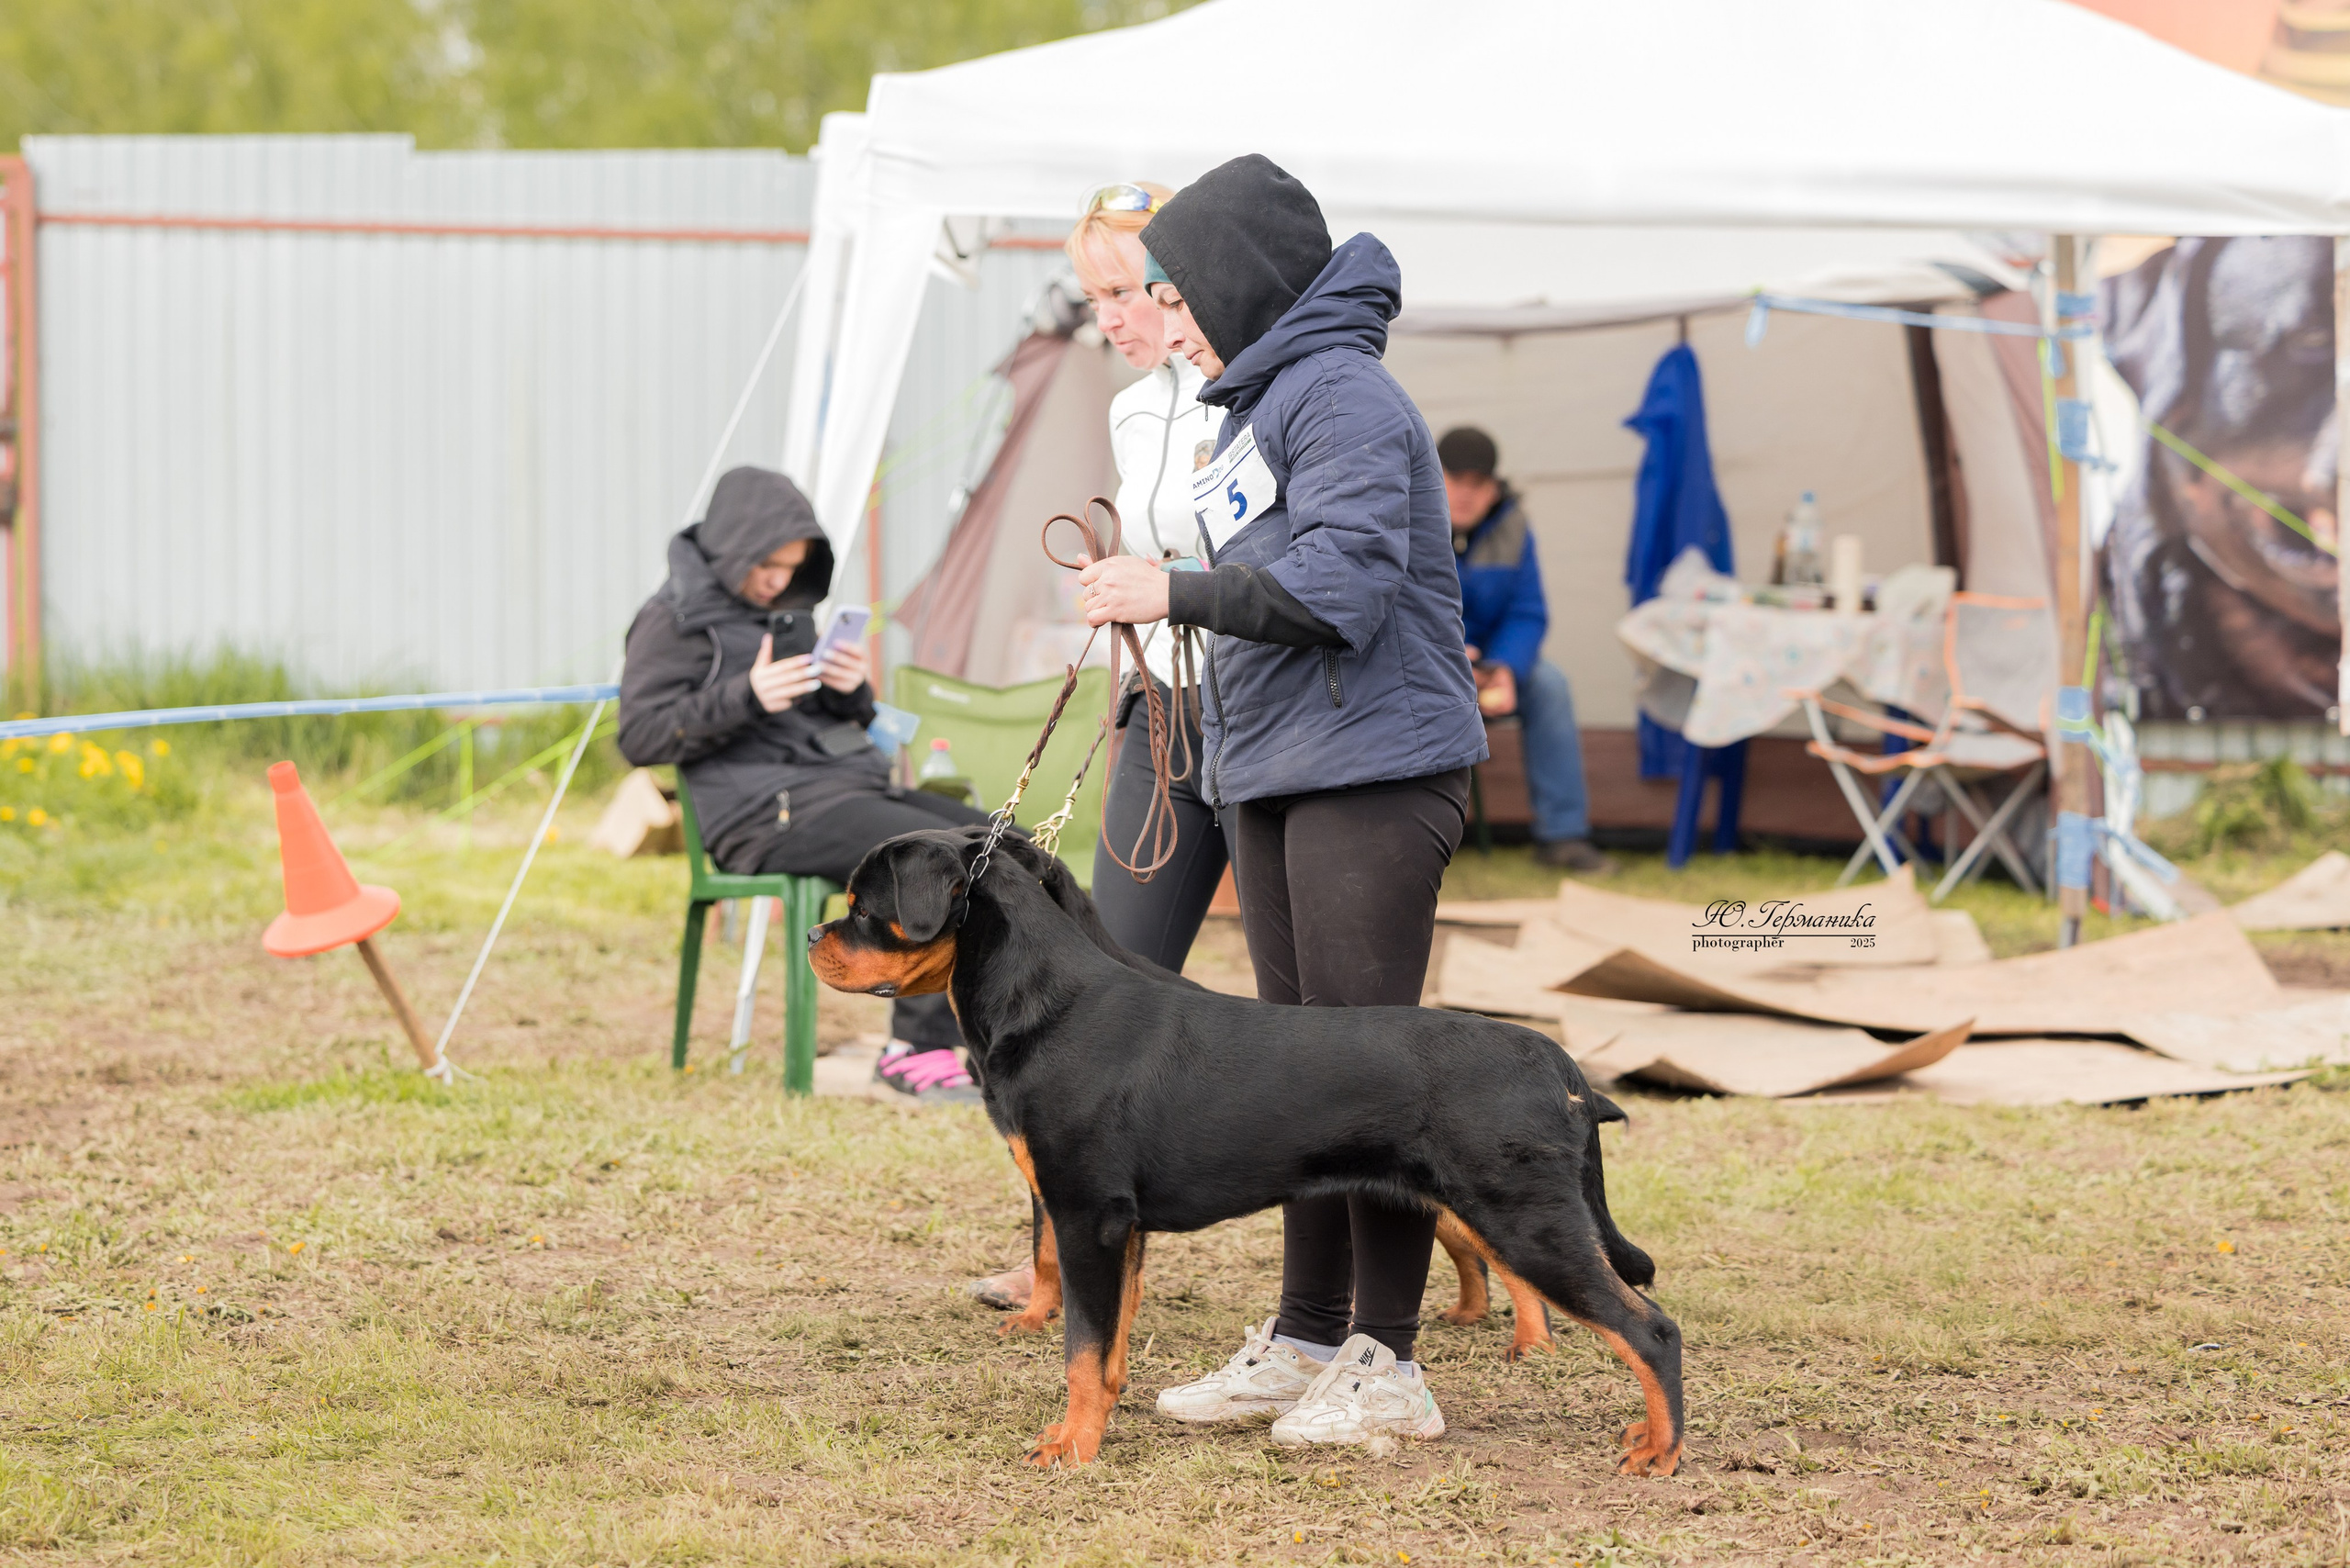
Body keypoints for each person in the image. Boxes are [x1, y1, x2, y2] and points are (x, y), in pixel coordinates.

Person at [1078, 154, 1487, 1450]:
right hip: (1272, 769)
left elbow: (1345, 590)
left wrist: (1173, 595)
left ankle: (1391, 1367)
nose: (1171, 321)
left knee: (1375, 1082)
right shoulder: (1257, 403)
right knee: (1304, 1081)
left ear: (1239, 283)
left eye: (1179, 295)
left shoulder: (1347, 397)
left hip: (1374, 772)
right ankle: (1310, 1332)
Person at [965, 179, 1232, 1313]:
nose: (1111, 319)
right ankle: (1054, 1269)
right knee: (1093, 992)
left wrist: (1167, 586)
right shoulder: (1131, 413)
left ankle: (1404, 1280)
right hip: (1155, 716)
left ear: (1183, 287)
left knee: (1327, 1017)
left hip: (1268, 723)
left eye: (1126, 292)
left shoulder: (1254, 393)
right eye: (1094, 296)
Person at [618, 465, 996, 1102]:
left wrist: (852, 692)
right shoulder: (672, 621)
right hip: (763, 815)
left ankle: (985, 1039)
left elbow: (836, 720)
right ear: (730, 548)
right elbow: (640, 737)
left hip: (845, 790)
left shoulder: (786, 613)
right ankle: (915, 1052)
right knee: (928, 856)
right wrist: (747, 695)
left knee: (996, 844)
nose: (778, 581)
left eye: (791, 568)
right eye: (767, 565)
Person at [1437, 426, 1612, 874]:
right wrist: (1456, 659)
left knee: (1550, 685)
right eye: (1455, 480)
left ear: (1494, 488)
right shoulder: (1410, 520)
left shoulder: (1514, 528)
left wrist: (1503, 669)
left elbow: (1528, 612)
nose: (1466, 494)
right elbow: (1402, 606)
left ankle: (1564, 836)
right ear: (1435, 476)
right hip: (1429, 664)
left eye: (1478, 484)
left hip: (1492, 665)